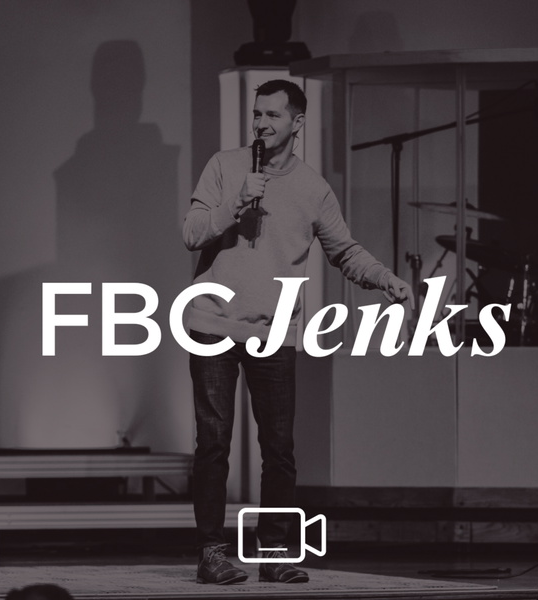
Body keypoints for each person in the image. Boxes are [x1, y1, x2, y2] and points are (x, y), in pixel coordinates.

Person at [183, 79, 414, 585]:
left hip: (275, 332)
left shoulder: (313, 188)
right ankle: (211, 552)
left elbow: (344, 251)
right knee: (213, 443)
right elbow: (192, 233)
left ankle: (275, 553)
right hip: (212, 323)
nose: (261, 124)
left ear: (297, 122)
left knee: (279, 448)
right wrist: (236, 202)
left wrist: (385, 279)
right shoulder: (225, 167)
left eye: (273, 115)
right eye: (257, 114)